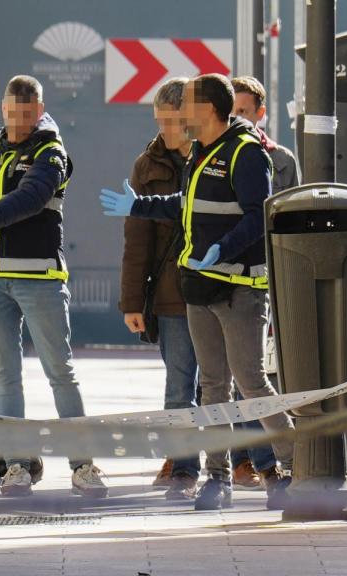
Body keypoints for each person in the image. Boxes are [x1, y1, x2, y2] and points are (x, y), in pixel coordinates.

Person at [100, 74, 295, 511]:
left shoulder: (246, 154)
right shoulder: (200, 154)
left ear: (207, 109)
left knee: (251, 382)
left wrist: (221, 249)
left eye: (186, 104)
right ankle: (217, 478)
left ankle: (290, 467)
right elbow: (184, 203)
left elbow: (257, 217)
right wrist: (138, 206)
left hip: (239, 291)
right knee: (213, 388)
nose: (179, 113)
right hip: (199, 290)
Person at [0, 75, 107, 499]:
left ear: (39, 109)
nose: (20, 122)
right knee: (5, 375)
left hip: (38, 278)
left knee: (59, 372)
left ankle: (82, 465)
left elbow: (32, 197)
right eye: (13, 114)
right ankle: (16, 466)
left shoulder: (50, 150)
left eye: (28, 115)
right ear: (3, 108)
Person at [119, 78, 200, 500]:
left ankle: (226, 465)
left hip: (217, 288)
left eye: (172, 121)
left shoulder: (215, 157)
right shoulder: (146, 166)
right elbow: (138, 243)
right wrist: (132, 302)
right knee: (179, 387)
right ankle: (185, 469)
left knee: (220, 386)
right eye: (159, 121)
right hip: (171, 296)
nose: (165, 130)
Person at [227, 76, 303, 491]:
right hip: (227, 276)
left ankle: (264, 459)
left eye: (244, 110)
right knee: (236, 374)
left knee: (255, 372)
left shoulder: (283, 159)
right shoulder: (215, 154)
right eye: (231, 110)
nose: (237, 117)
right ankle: (245, 461)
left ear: (260, 114)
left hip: (268, 277)